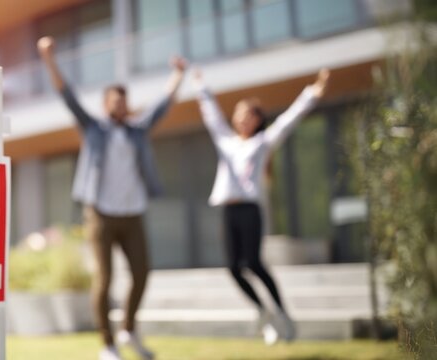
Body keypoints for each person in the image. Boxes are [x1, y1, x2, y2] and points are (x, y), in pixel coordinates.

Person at [37, 36, 186, 360]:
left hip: (132, 213)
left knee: (143, 273)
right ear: (106, 104)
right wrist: (48, 58)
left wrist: (178, 75)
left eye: (123, 100)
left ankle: (128, 329)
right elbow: (68, 95)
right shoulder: (94, 128)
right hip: (101, 214)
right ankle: (108, 345)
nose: (119, 105)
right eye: (114, 101)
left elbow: (162, 105)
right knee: (104, 280)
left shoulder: (137, 129)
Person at [192, 68, 331, 345]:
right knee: (233, 267)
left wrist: (312, 93)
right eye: (241, 114)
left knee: (254, 262)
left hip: (250, 210)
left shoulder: (263, 142)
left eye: (250, 115)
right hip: (229, 210)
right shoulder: (226, 142)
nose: (244, 119)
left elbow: (288, 122)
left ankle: (282, 312)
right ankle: (263, 311)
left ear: (257, 121)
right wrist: (201, 87)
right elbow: (212, 117)